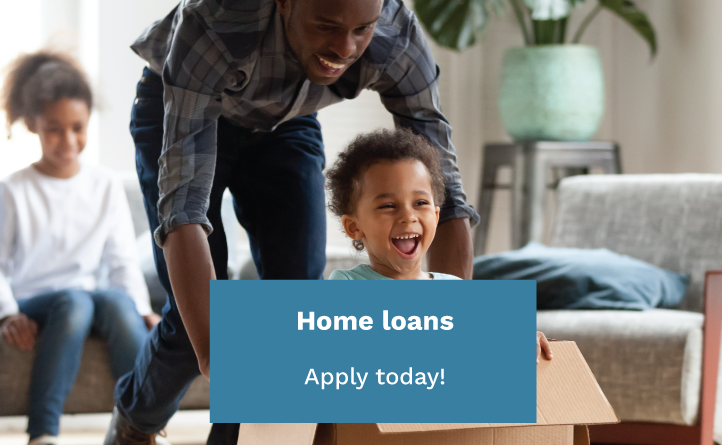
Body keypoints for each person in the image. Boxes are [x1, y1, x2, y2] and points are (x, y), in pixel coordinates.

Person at [107, 0, 479, 443]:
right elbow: (181, 210)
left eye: (361, 29)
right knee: (201, 327)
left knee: (296, 308)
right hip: (183, 106)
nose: (345, 47)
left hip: (286, 122)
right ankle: (135, 422)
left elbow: (446, 193)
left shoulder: (395, 35)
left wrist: (459, 333)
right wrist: (216, 353)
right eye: (326, 25)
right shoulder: (215, 22)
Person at [0, 52, 160, 445]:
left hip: (89, 301)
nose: (68, 140)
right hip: (35, 302)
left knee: (116, 302)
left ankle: (143, 427)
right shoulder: (11, 189)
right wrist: (7, 313)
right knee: (77, 301)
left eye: (77, 127)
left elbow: (120, 260)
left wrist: (142, 308)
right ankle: (43, 433)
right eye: (54, 129)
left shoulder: (105, 185)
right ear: (34, 126)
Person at [325, 128, 555, 362]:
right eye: (387, 206)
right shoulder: (345, 285)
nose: (408, 216)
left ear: (436, 217)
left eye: (420, 202)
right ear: (354, 227)